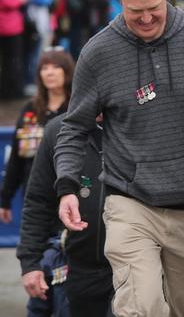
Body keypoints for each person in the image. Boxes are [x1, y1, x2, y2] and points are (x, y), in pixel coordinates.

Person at [54, 0, 184, 316]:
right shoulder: (98, 53)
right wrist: (67, 187)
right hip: (130, 202)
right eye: (134, 10)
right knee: (142, 306)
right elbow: (74, 127)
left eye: (153, 7)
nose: (146, 18)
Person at [17, 114, 113, 317]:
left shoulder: (140, 124)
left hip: (133, 268)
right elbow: (38, 201)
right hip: (77, 268)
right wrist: (30, 263)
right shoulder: (57, 130)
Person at [1, 48, 74, 224]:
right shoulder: (31, 110)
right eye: (44, 68)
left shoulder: (77, 107)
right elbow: (16, 160)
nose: (49, 73)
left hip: (71, 192)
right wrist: (5, 199)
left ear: (67, 72)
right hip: (35, 194)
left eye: (56, 67)